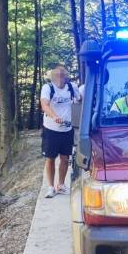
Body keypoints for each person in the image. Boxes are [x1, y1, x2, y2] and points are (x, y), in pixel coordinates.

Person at [40, 64, 80, 198]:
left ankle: (61, 185)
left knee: (65, 158)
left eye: (63, 74)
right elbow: (44, 104)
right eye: (57, 75)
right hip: (51, 129)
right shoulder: (48, 88)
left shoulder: (71, 87)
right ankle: (50, 187)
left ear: (66, 76)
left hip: (67, 129)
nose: (60, 77)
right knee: (50, 158)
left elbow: (80, 98)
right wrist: (55, 117)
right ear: (53, 76)